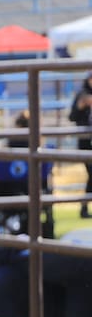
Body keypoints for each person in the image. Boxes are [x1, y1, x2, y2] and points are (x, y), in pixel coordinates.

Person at [69, 70, 92, 218]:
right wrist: (80, 106)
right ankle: (84, 208)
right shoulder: (82, 94)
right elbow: (72, 116)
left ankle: (84, 208)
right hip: (86, 142)